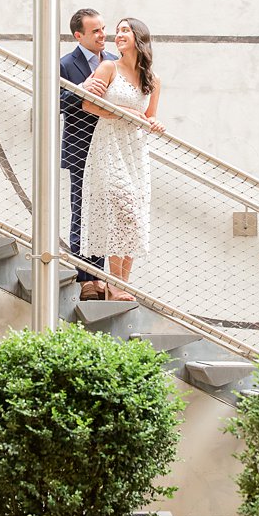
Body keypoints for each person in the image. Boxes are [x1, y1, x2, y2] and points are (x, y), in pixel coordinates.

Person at [79, 17, 164, 302]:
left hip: (135, 151)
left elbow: (149, 117)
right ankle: (113, 285)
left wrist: (154, 124)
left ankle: (120, 286)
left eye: (125, 30)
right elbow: (88, 104)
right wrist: (123, 113)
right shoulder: (107, 67)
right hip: (109, 145)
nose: (118, 35)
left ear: (139, 37)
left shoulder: (152, 80)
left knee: (133, 218)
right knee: (121, 209)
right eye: (117, 32)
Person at [60, 7, 116, 300]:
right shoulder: (66, 64)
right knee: (81, 211)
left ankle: (104, 276)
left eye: (103, 28)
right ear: (78, 35)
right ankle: (86, 278)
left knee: (107, 214)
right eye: (95, 31)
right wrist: (81, 89)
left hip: (112, 149)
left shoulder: (118, 63)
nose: (102, 35)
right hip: (81, 148)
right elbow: (55, 103)